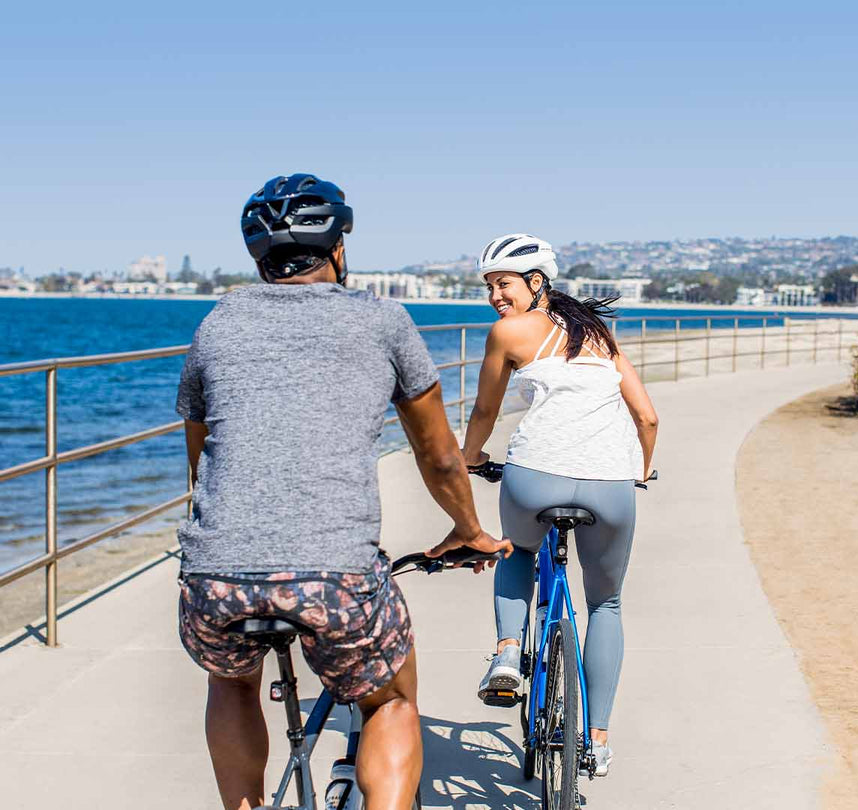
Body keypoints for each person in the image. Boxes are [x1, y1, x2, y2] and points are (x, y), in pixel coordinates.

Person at [175, 173, 509, 810]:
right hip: (335, 576)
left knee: (232, 680)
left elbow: (202, 464)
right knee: (392, 700)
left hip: (214, 576)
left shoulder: (216, 324)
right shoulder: (383, 321)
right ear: (339, 249)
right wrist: (468, 530)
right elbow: (439, 456)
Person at [460, 233, 659, 777]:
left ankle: (506, 653)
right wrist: (639, 471)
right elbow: (647, 418)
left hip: (533, 479)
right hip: (610, 485)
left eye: (503, 284)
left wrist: (469, 457)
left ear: (536, 282)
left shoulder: (508, 333)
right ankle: (596, 740)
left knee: (516, 552)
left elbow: (484, 409)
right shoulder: (599, 333)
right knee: (606, 605)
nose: (495, 296)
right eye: (489, 287)